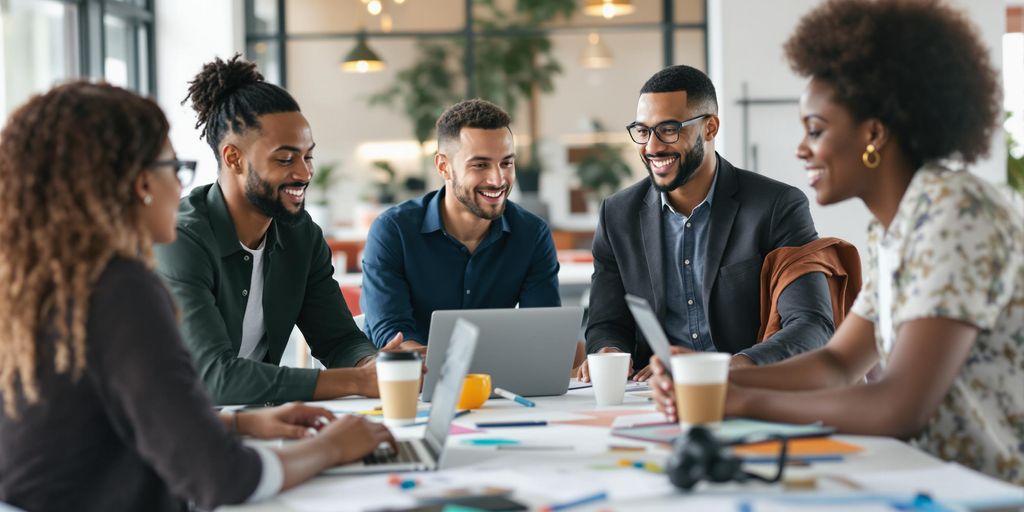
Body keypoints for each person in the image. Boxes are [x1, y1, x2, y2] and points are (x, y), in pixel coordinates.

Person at [650, 0, 1023, 484]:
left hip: (981, 490)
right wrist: (712, 376)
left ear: (872, 133)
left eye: (816, 130)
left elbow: (898, 405)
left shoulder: (955, 213)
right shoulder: (897, 227)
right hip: (923, 479)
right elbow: (837, 362)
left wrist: (736, 399)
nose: (801, 148)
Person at [0, 82, 396, 510]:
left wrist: (239, 424)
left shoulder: (54, 279)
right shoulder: (121, 289)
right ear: (138, 183)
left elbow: (110, 426)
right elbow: (221, 478)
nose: (180, 183)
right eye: (174, 167)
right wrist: (334, 446)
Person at [155, 55, 402, 405]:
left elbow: (339, 340)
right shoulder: (181, 240)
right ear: (233, 158)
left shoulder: (301, 236)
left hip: (261, 424)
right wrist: (357, 381)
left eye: (308, 156)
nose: (304, 173)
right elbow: (213, 377)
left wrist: (374, 364)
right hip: (175, 433)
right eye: (285, 159)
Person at [582, 65, 835, 381]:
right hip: (654, 395)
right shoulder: (618, 215)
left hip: (747, 390)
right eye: (644, 131)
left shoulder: (776, 206)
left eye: (669, 129)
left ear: (710, 128)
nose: (652, 147)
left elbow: (812, 324)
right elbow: (607, 323)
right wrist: (609, 354)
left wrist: (725, 370)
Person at [360, 99, 561, 351]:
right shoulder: (393, 231)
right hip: (411, 383)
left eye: (506, 163)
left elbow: (542, 330)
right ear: (444, 167)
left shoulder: (532, 234)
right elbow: (392, 335)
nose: (498, 179)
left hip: (495, 383)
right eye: (480, 165)